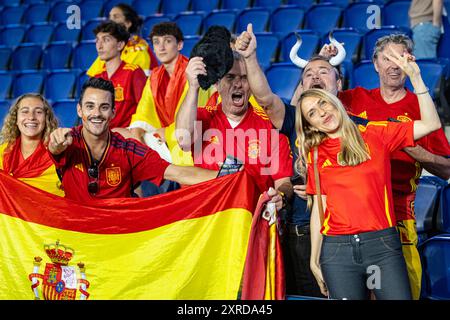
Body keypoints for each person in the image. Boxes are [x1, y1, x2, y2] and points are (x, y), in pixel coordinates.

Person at [297, 47, 442, 299]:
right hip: (336, 250)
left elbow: (431, 124)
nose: (321, 112)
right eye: (312, 113)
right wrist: (314, 257)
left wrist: (416, 78)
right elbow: (320, 209)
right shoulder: (316, 154)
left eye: (322, 103)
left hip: (383, 245)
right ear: (310, 125)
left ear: (334, 101)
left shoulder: (377, 133)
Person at [234, 24, 365, 297]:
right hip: (301, 232)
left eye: (323, 72)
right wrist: (250, 58)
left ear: (339, 83)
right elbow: (266, 100)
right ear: (302, 86)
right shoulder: (294, 118)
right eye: (308, 74)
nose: (315, 77)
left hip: (350, 230)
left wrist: (325, 186)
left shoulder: (361, 127)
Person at [337, 34, 450, 299]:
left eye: (401, 58)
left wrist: (411, 147)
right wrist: (329, 63)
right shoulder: (354, 99)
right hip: (352, 211)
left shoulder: (420, 107)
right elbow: (309, 103)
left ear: (410, 62)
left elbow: (446, 169)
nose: (393, 65)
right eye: (387, 58)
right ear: (375, 63)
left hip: (398, 212)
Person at [47, 78, 218, 202]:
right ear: (79, 110)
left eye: (104, 107)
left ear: (113, 112)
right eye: (90, 106)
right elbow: (55, 149)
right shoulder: (68, 142)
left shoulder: (128, 149)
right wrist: (55, 145)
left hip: (118, 237)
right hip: (78, 234)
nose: (97, 113)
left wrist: (227, 175)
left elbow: (178, 172)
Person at [175, 51, 294, 204]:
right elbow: (183, 140)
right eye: (230, 77)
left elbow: (284, 182)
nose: (238, 84)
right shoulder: (202, 118)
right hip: (209, 217)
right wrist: (193, 87)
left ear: (252, 85)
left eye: (244, 78)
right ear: (217, 83)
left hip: (250, 218)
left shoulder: (270, 128)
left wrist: (280, 196)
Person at [128, 22, 214, 166]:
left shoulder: (193, 72)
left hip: (192, 138)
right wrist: (137, 132)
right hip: (163, 137)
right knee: (124, 137)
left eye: (167, 41)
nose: (161, 47)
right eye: (156, 42)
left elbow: (197, 115)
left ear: (179, 45)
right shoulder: (154, 76)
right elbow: (144, 112)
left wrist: (166, 132)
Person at [0, 94, 64, 197]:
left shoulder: (59, 155)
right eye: (25, 111)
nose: (31, 117)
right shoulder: (2, 152)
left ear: (46, 119)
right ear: (16, 119)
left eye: (38, 112)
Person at [91, 21, 147, 129]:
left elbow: (144, 109)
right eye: (97, 40)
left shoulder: (133, 72)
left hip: (128, 135)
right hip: (103, 135)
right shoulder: (96, 77)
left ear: (120, 45)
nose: (99, 45)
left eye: (106, 40)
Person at [87, 3, 158, 77]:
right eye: (110, 17)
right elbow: (92, 77)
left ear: (128, 23)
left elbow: (136, 80)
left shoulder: (138, 49)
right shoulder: (108, 49)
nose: (111, 20)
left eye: (116, 17)